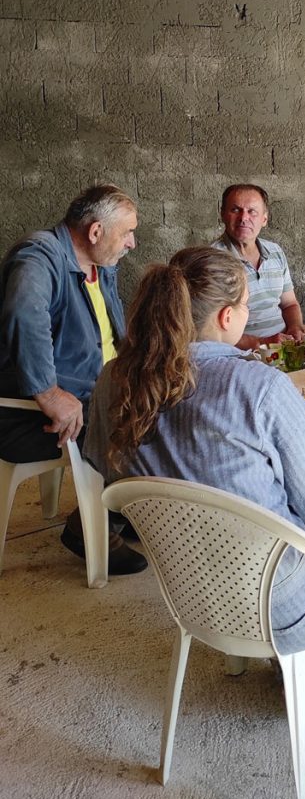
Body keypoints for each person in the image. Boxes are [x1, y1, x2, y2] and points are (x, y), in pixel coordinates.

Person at [84, 246, 305, 715]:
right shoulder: (260, 387)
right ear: (227, 317)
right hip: (282, 605)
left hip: (191, 595)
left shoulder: (113, 381)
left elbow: (112, 476)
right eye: (247, 304)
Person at [0, 184, 146, 574]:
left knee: (169, 404)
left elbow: (112, 335)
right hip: (34, 414)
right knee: (142, 426)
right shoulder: (39, 257)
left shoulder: (101, 265)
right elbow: (23, 314)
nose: (132, 243)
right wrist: (47, 392)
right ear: (95, 231)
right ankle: (90, 528)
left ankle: (122, 505)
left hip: (95, 393)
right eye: (127, 232)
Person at [211, 184, 305, 350]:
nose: (243, 218)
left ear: (264, 219)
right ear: (223, 215)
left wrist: (295, 328)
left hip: (283, 341)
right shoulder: (211, 260)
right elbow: (211, 331)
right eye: (235, 210)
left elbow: (290, 304)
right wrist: (262, 343)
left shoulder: (275, 252)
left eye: (252, 212)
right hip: (242, 352)